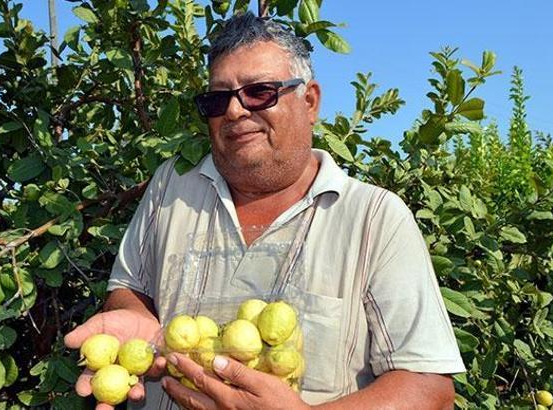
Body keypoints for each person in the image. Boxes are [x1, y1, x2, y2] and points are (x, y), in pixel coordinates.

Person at [65, 12, 465, 410]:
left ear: (309, 101)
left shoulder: (375, 218)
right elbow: (131, 288)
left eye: (259, 92)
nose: (235, 112)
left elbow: (429, 387)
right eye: (217, 99)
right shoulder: (172, 186)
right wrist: (134, 318)